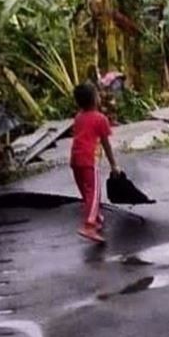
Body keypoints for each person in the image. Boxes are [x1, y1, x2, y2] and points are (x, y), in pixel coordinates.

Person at [70, 82, 120, 244]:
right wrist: (114, 165)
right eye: (98, 94)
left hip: (75, 159)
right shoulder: (100, 119)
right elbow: (106, 144)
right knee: (94, 192)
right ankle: (89, 225)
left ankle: (96, 216)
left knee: (86, 192)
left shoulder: (78, 117)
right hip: (89, 161)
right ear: (94, 99)